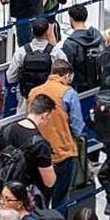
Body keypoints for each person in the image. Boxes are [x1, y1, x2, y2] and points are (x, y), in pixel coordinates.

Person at [28, 59, 84, 208]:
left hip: (39, 154)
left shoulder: (34, 92)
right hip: (63, 153)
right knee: (60, 200)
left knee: (39, 199)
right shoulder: (69, 93)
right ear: (66, 75)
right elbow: (77, 127)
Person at [0, 94, 57, 200]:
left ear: (29, 109)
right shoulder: (41, 145)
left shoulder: (6, 129)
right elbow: (49, 182)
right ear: (45, 115)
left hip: (4, 194)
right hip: (26, 197)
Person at [9, 18, 67, 100]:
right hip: (50, 98)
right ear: (47, 32)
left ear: (32, 32)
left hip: (28, 98)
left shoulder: (21, 52)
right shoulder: (57, 53)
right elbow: (66, 76)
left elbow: (10, 77)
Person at [62, 4, 104, 92]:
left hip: (79, 86)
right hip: (98, 82)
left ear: (71, 19)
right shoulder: (98, 37)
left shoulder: (70, 43)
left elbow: (66, 68)